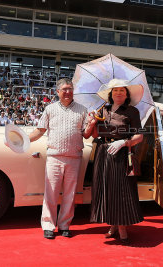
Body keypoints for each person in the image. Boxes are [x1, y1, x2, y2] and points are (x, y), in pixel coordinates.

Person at [29, 78, 93, 239]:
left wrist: (91, 124)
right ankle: (48, 225)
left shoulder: (83, 110)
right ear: (57, 92)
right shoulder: (50, 109)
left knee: (70, 194)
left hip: (74, 157)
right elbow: (39, 131)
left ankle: (65, 225)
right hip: (54, 156)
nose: (68, 92)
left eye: (70, 89)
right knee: (51, 192)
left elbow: (86, 134)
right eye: (64, 89)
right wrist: (21, 140)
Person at [86, 79, 144, 243]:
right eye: (115, 90)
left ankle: (122, 227)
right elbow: (95, 135)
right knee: (106, 191)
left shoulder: (132, 111)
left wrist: (124, 142)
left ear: (127, 94)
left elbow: (139, 136)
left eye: (122, 90)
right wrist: (92, 122)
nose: (119, 93)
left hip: (121, 153)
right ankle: (113, 224)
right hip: (103, 153)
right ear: (111, 94)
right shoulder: (102, 109)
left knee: (121, 191)